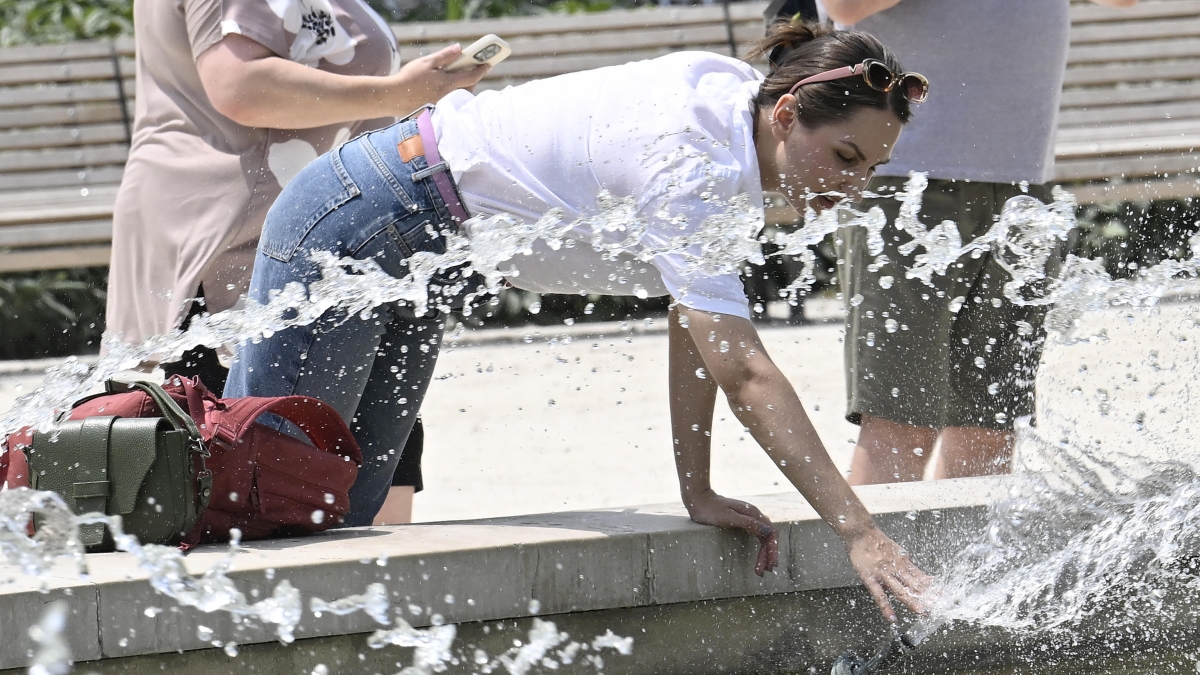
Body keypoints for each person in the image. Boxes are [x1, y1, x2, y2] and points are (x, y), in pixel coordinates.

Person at [225, 21, 933, 622]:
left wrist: (698, 489)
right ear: (785, 114)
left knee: (342, 505)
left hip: (422, 240)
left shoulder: (733, 117)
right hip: (364, 218)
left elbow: (694, 328)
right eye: (845, 156)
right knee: (270, 495)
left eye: (870, 166)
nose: (853, 184)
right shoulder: (694, 165)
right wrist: (858, 529)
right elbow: (745, 372)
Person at [104, 0, 488, 522]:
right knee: (247, 481)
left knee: (359, 485)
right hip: (227, 244)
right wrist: (400, 93)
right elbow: (239, 86)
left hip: (346, 242)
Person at [821, 0, 1138, 484]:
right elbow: (846, 6)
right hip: (905, 181)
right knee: (900, 424)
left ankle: (960, 562)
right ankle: (869, 560)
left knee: (989, 427)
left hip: (1024, 182)